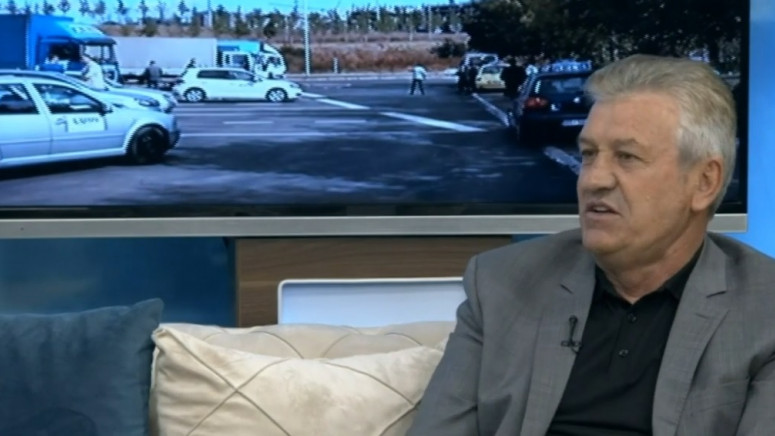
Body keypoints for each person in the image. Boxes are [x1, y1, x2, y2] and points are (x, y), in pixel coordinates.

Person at [407, 54, 775, 435]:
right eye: (588, 154)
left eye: (627, 157)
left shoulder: (765, 310)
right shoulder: (501, 283)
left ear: (704, 182)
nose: (593, 180)